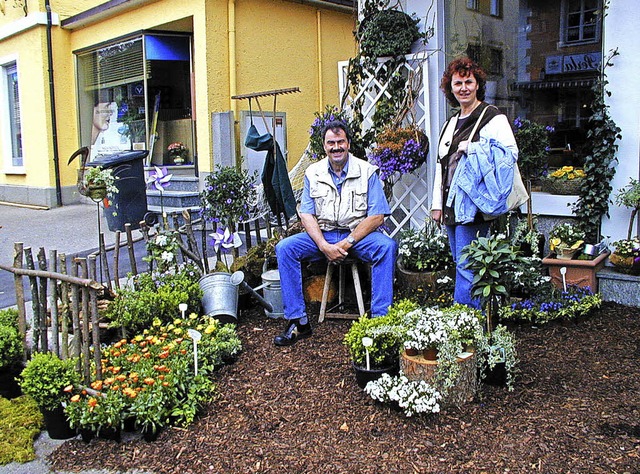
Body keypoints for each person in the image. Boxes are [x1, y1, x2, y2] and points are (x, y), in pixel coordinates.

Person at [273, 120, 398, 346]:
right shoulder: (313, 172)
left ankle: (381, 322)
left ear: (348, 144)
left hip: (358, 235)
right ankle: (298, 322)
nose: (336, 147)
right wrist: (323, 246)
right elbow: (307, 215)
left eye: (341, 141)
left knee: (386, 247)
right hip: (325, 235)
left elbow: (377, 216)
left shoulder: (367, 172)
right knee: (285, 248)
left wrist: (348, 243)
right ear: (324, 146)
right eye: (331, 143)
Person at [431, 57, 519, 309]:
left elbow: (510, 155)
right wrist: (437, 205)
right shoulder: (450, 123)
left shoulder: (492, 117)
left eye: (468, 81)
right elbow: (442, 165)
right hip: (452, 206)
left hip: (475, 206)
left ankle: (466, 323)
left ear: (478, 84)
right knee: (462, 263)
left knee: (469, 266)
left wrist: (476, 149)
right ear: (451, 88)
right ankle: (469, 319)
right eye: (458, 83)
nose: (463, 88)